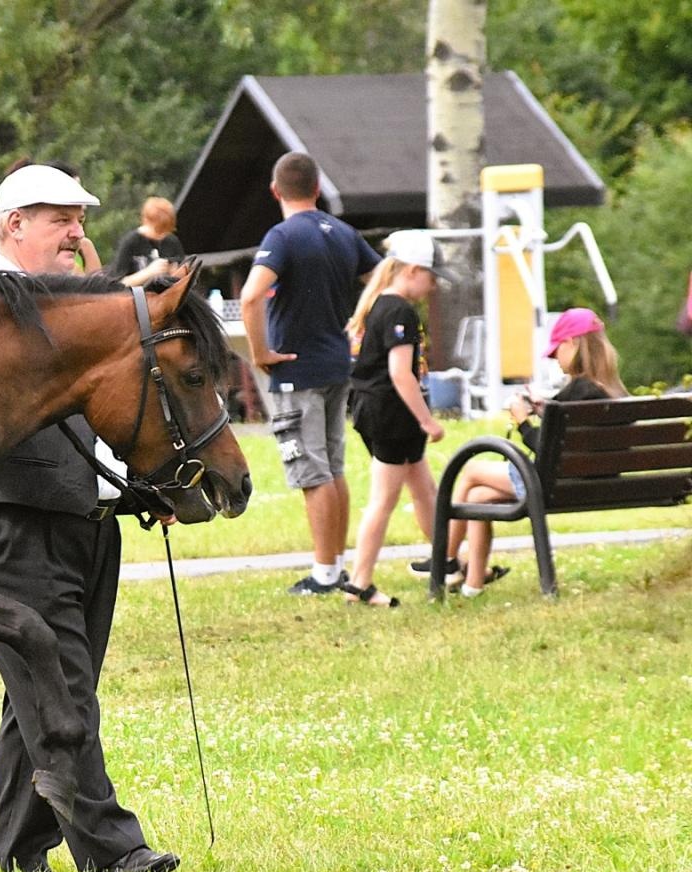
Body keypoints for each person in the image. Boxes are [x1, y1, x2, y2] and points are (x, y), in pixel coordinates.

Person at [0, 162, 180, 872]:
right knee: (64, 689)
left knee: (38, 690)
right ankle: (113, 850)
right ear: (13, 225)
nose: (78, 230)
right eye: (60, 218)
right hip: (13, 520)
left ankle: (11, 855)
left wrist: (151, 485)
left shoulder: (70, 303)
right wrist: (98, 299)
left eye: (80, 219)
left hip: (85, 516)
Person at [241, 151, 381, 595]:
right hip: (338, 364)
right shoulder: (343, 232)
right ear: (318, 189)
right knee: (333, 468)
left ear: (275, 191)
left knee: (312, 472)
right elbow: (381, 276)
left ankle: (323, 576)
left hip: (295, 369)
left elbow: (250, 297)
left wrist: (260, 353)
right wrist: (358, 324)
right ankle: (335, 565)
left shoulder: (282, 236)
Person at [440, 308, 627, 596]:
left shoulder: (579, 390)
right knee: (479, 498)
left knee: (471, 471)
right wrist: (545, 410)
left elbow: (546, 448)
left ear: (574, 343)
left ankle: (445, 561)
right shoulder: (614, 392)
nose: (555, 360)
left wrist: (523, 421)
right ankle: (472, 585)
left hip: (553, 484)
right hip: (594, 483)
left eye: (557, 352)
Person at [340, 231, 453, 607]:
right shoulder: (399, 310)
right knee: (383, 502)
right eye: (431, 277)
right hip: (391, 415)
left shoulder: (380, 304)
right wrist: (428, 421)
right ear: (413, 270)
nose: (433, 286)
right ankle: (360, 582)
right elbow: (401, 373)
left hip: (381, 411)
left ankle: (449, 561)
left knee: (425, 491)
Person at [110, 196, 184, 284]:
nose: (161, 235)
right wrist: (149, 272)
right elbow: (118, 284)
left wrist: (175, 272)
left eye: (165, 231)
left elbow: (182, 270)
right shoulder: (131, 242)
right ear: (145, 221)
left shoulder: (172, 242)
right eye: (158, 231)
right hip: (137, 295)